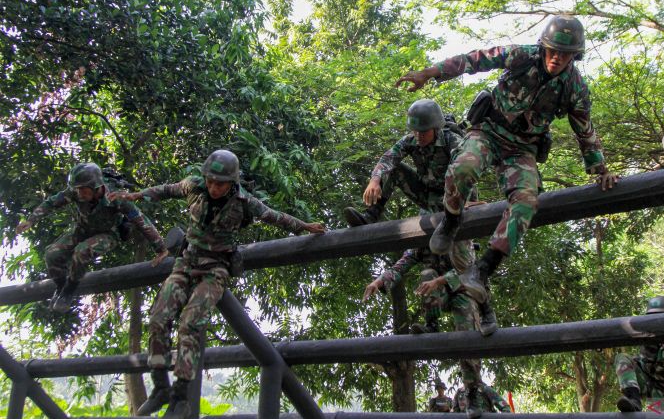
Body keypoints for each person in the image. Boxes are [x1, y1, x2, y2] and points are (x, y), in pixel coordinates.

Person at [395, 15, 619, 291]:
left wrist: (601, 170)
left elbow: (584, 129)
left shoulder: (574, 87)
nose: (557, 59)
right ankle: (451, 221)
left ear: (575, 56)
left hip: (522, 147)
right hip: (488, 130)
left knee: (526, 202)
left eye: (565, 55)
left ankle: (483, 269)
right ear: (543, 47)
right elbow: (475, 59)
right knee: (463, 168)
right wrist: (430, 72)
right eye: (553, 51)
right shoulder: (521, 56)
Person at [110, 150, 325, 417]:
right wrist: (136, 195)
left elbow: (273, 216)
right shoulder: (195, 186)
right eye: (211, 181)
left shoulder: (244, 202)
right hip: (186, 264)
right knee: (157, 318)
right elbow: (166, 190)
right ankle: (160, 388)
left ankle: (181, 396)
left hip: (215, 269)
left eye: (220, 183)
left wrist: (303, 226)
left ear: (232, 182)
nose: (214, 187)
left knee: (190, 322)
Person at [346, 99, 498, 336]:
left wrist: (467, 203)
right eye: (414, 131)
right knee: (394, 170)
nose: (418, 136)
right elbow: (389, 157)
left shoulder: (451, 141)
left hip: (453, 200)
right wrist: (375, 179)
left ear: (435, 128)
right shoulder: (412, 140)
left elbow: (467, 169)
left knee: (463, 261)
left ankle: (487, 310)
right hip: (428, 200)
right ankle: (371, 215)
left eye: (423, 131)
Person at [15, 162, 167, 312]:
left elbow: (141, 221)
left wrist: (161, 249)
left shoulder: (116, 197)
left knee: (82, 252)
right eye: (77, 189)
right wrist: (31, 220)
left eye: (83, 189)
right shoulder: (76, 192)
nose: (80, 193)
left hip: (108, 235)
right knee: (52, 254)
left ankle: (69, 291)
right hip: (82, 229)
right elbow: (51, 203)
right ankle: (62, 288)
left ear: (95, 186)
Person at [363, 244, 491, 418]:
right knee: (426, 273)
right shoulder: (423, 244)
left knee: (466, 334)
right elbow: (400, 266)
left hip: (466, 289)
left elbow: (468, 274)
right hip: (440, 291)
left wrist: (438, 281)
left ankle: (473, 391)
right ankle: (431, 323)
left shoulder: (460, 241)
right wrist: (378, 282)